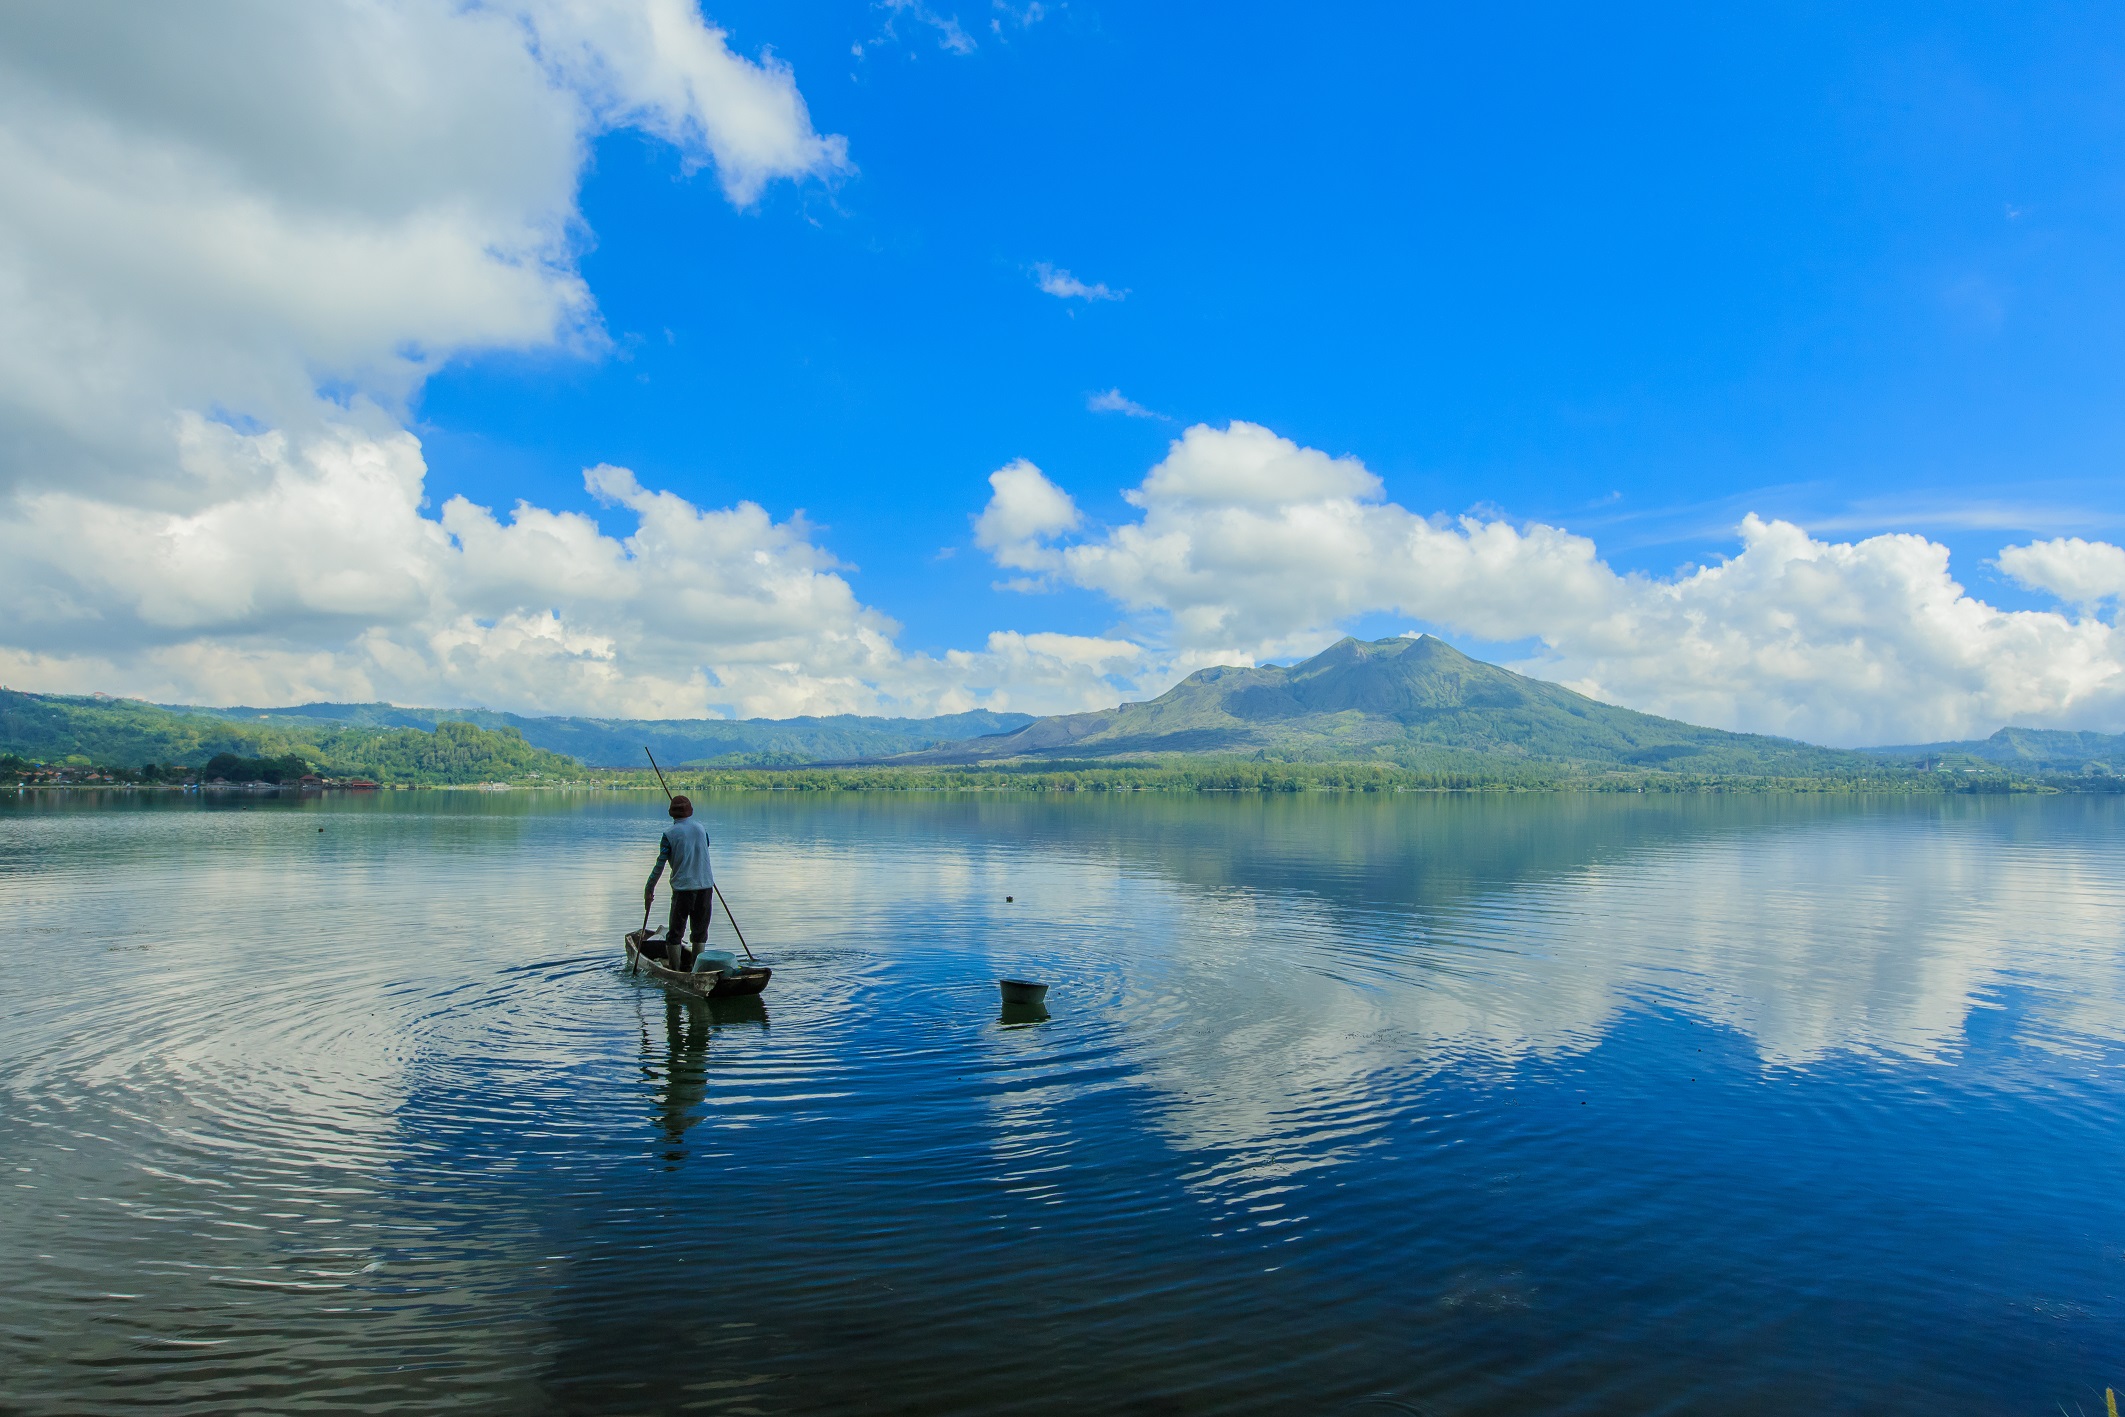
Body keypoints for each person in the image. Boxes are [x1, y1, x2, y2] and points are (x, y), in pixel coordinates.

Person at [645, 794, 714, 968]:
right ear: (690, 811)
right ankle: (697, 970)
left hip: (683, 889)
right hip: (705, 886)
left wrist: (649, 888)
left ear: (671, 814)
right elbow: (704, 847)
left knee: (675, 933)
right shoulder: (701, 828)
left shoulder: (669, 834)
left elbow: (659, 865)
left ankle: (674, 970)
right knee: (699, 932)